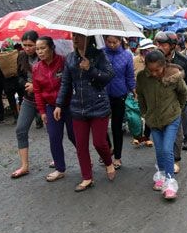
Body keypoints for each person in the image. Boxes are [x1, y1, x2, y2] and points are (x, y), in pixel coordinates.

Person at [54, 33, 116, 192]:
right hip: (77, 107)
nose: (75, 39)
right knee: (81, 145)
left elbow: (109, 76)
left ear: (88, 38)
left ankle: (109, 162)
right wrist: (59, 104)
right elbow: (66, 83)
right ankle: (87, 177)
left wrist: (91, 69)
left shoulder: (99, 55)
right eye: (73, 36)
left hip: (98, 106)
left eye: (79, 36)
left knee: (99, 142)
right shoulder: (70, 58)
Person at [136, 50, 187, 200]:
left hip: (171, 118)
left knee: (167, 149)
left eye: (157, 70)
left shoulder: (174, 76)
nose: (153, 74)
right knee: (159, 150)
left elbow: (183, 93)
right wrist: (144, 112)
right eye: (150, 70)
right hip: (153, 119)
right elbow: (140, 96)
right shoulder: (142, 77)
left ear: (164, 66)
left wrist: (176, 109)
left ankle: (170, 183)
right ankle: (161, 174)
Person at [32, 36, 76, 182]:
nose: (40, 52)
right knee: (54, 137)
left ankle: (85, 159)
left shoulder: (64, 61)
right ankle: (60, 168)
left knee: (74, 135)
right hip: (51, 107)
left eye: (43, 48)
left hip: (69, 105)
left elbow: (71, 83)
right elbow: (37, 92)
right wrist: (42, 111)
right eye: (37, 49)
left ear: (51, 48)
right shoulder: (37, 68)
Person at [154, 31, 187, 170]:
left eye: (164, 44)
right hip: (158, 104)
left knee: (177, 132)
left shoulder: (183, 61)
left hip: (177, 104)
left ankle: (175, 160)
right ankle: (163, 159)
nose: (160, 47)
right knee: (159, 134)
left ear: (172, 46)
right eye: (158, 44)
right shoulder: (153, 59)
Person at [10, 30, 41, 179]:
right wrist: (26, 84)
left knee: (55, 133)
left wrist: (36, 86)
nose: (27, 48)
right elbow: (19, 76)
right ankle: (24, 166)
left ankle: (58, 159)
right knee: (21, 130)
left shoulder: (45, 56)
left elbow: (53, 79)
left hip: (46, 100)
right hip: (28, 99)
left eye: (31, 45)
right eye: (25, 45)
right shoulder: (21, 56)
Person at [104, 35, 136, 169]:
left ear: (120, 41)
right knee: (101, 126)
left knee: (117, 127)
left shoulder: (127, 55)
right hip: (102, 94)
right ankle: (108, 148)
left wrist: (133, 89)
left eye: (115, 42)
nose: (112, 45)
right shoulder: (100, 53)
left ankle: (117, 157)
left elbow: (129, 75)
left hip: (120, 94)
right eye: (109, 42)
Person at [132, 38, 156, 147]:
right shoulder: (135, 60)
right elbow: (130, 75)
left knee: (148, 115)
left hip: (150, 91)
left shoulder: (155, 61)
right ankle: (136, 136)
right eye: (147, 49)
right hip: (135, 91)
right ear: (142, 50)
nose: (149, 51)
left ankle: (146, 137)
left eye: (151, 49)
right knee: (135, 116)